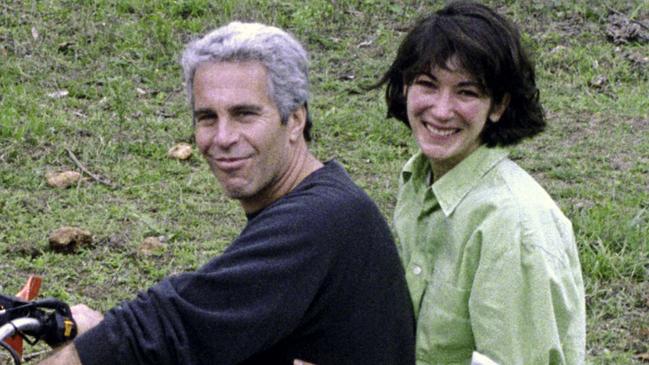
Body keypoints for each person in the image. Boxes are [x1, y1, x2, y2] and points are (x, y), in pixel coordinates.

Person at [40, 22, 415, 365]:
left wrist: (86, 353)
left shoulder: (321, 219)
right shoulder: (321, 200)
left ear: (295, 120)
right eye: (207, 118)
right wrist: (98, 331)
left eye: (244, 115)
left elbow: (172, 326)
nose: (223, 138)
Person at [374, 2, 586, 364]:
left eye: (466, 93)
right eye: (427, 84)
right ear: (406, 87)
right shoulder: (419, 180)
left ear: (499, 106)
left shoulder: (512, 224)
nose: (442, 110)